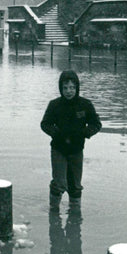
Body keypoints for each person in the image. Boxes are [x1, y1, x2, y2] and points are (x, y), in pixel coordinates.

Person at [40, 70, 101, 209]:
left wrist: (85, 133)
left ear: (77, 88)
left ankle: (75, 216)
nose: (69, 91)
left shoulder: (85, 105)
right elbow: (45, 124)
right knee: (60, 183)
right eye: (65, 88)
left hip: (76, 150)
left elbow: (96, 124)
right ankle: (53, 212)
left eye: (72, 87)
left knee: (75, 186)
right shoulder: (54, 105)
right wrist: (56, 133)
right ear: (61, 89)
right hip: (59, 149)